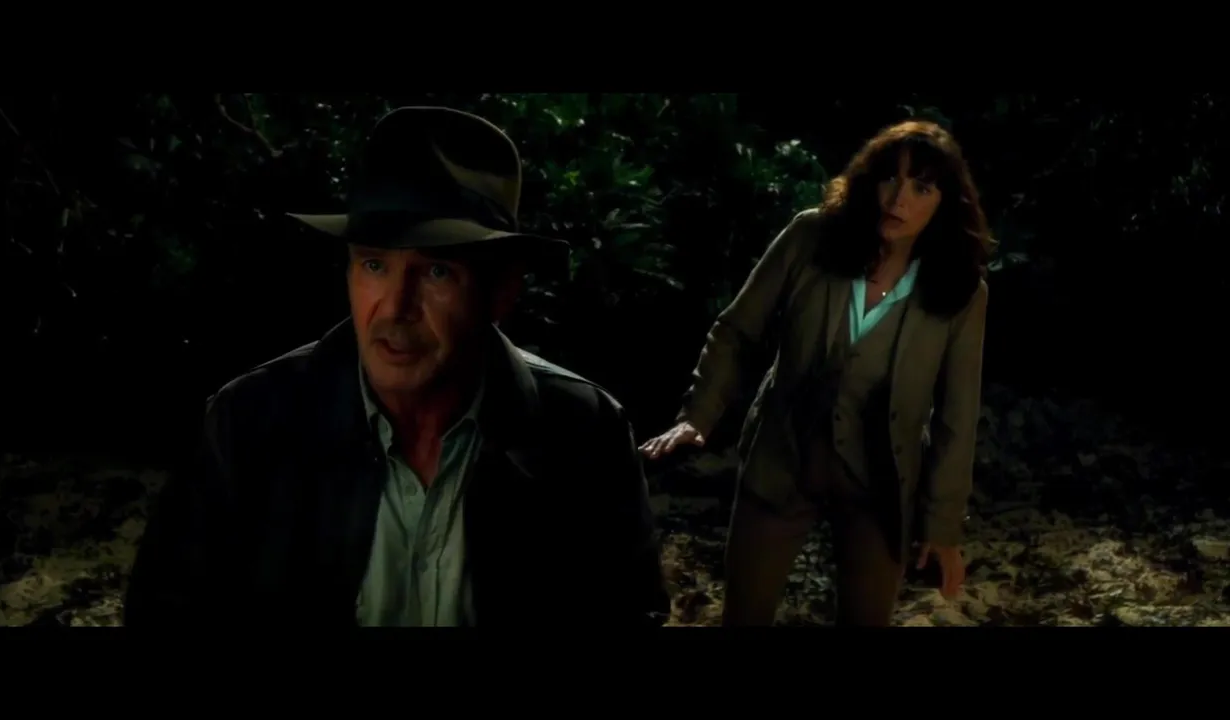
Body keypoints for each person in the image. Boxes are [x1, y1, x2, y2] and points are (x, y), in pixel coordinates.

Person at [126, 106, 670, 627]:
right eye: (374, 265)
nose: (395, 307)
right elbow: (167, 611)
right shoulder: (249, 424)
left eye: (436, 271)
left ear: (501, 291)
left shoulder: (584, 433)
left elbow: (627, 613)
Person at [640, 120, 992, 626]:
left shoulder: (961, 289)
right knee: (745, 614)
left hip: (880, 480)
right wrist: (698, 415)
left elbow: (957, 415)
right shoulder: (811, 237)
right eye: (890, 178)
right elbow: (737, 329)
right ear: (869, 180)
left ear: (944, 203)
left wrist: (942, 527)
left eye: (922, 187)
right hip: (782, 456)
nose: (899, 199)